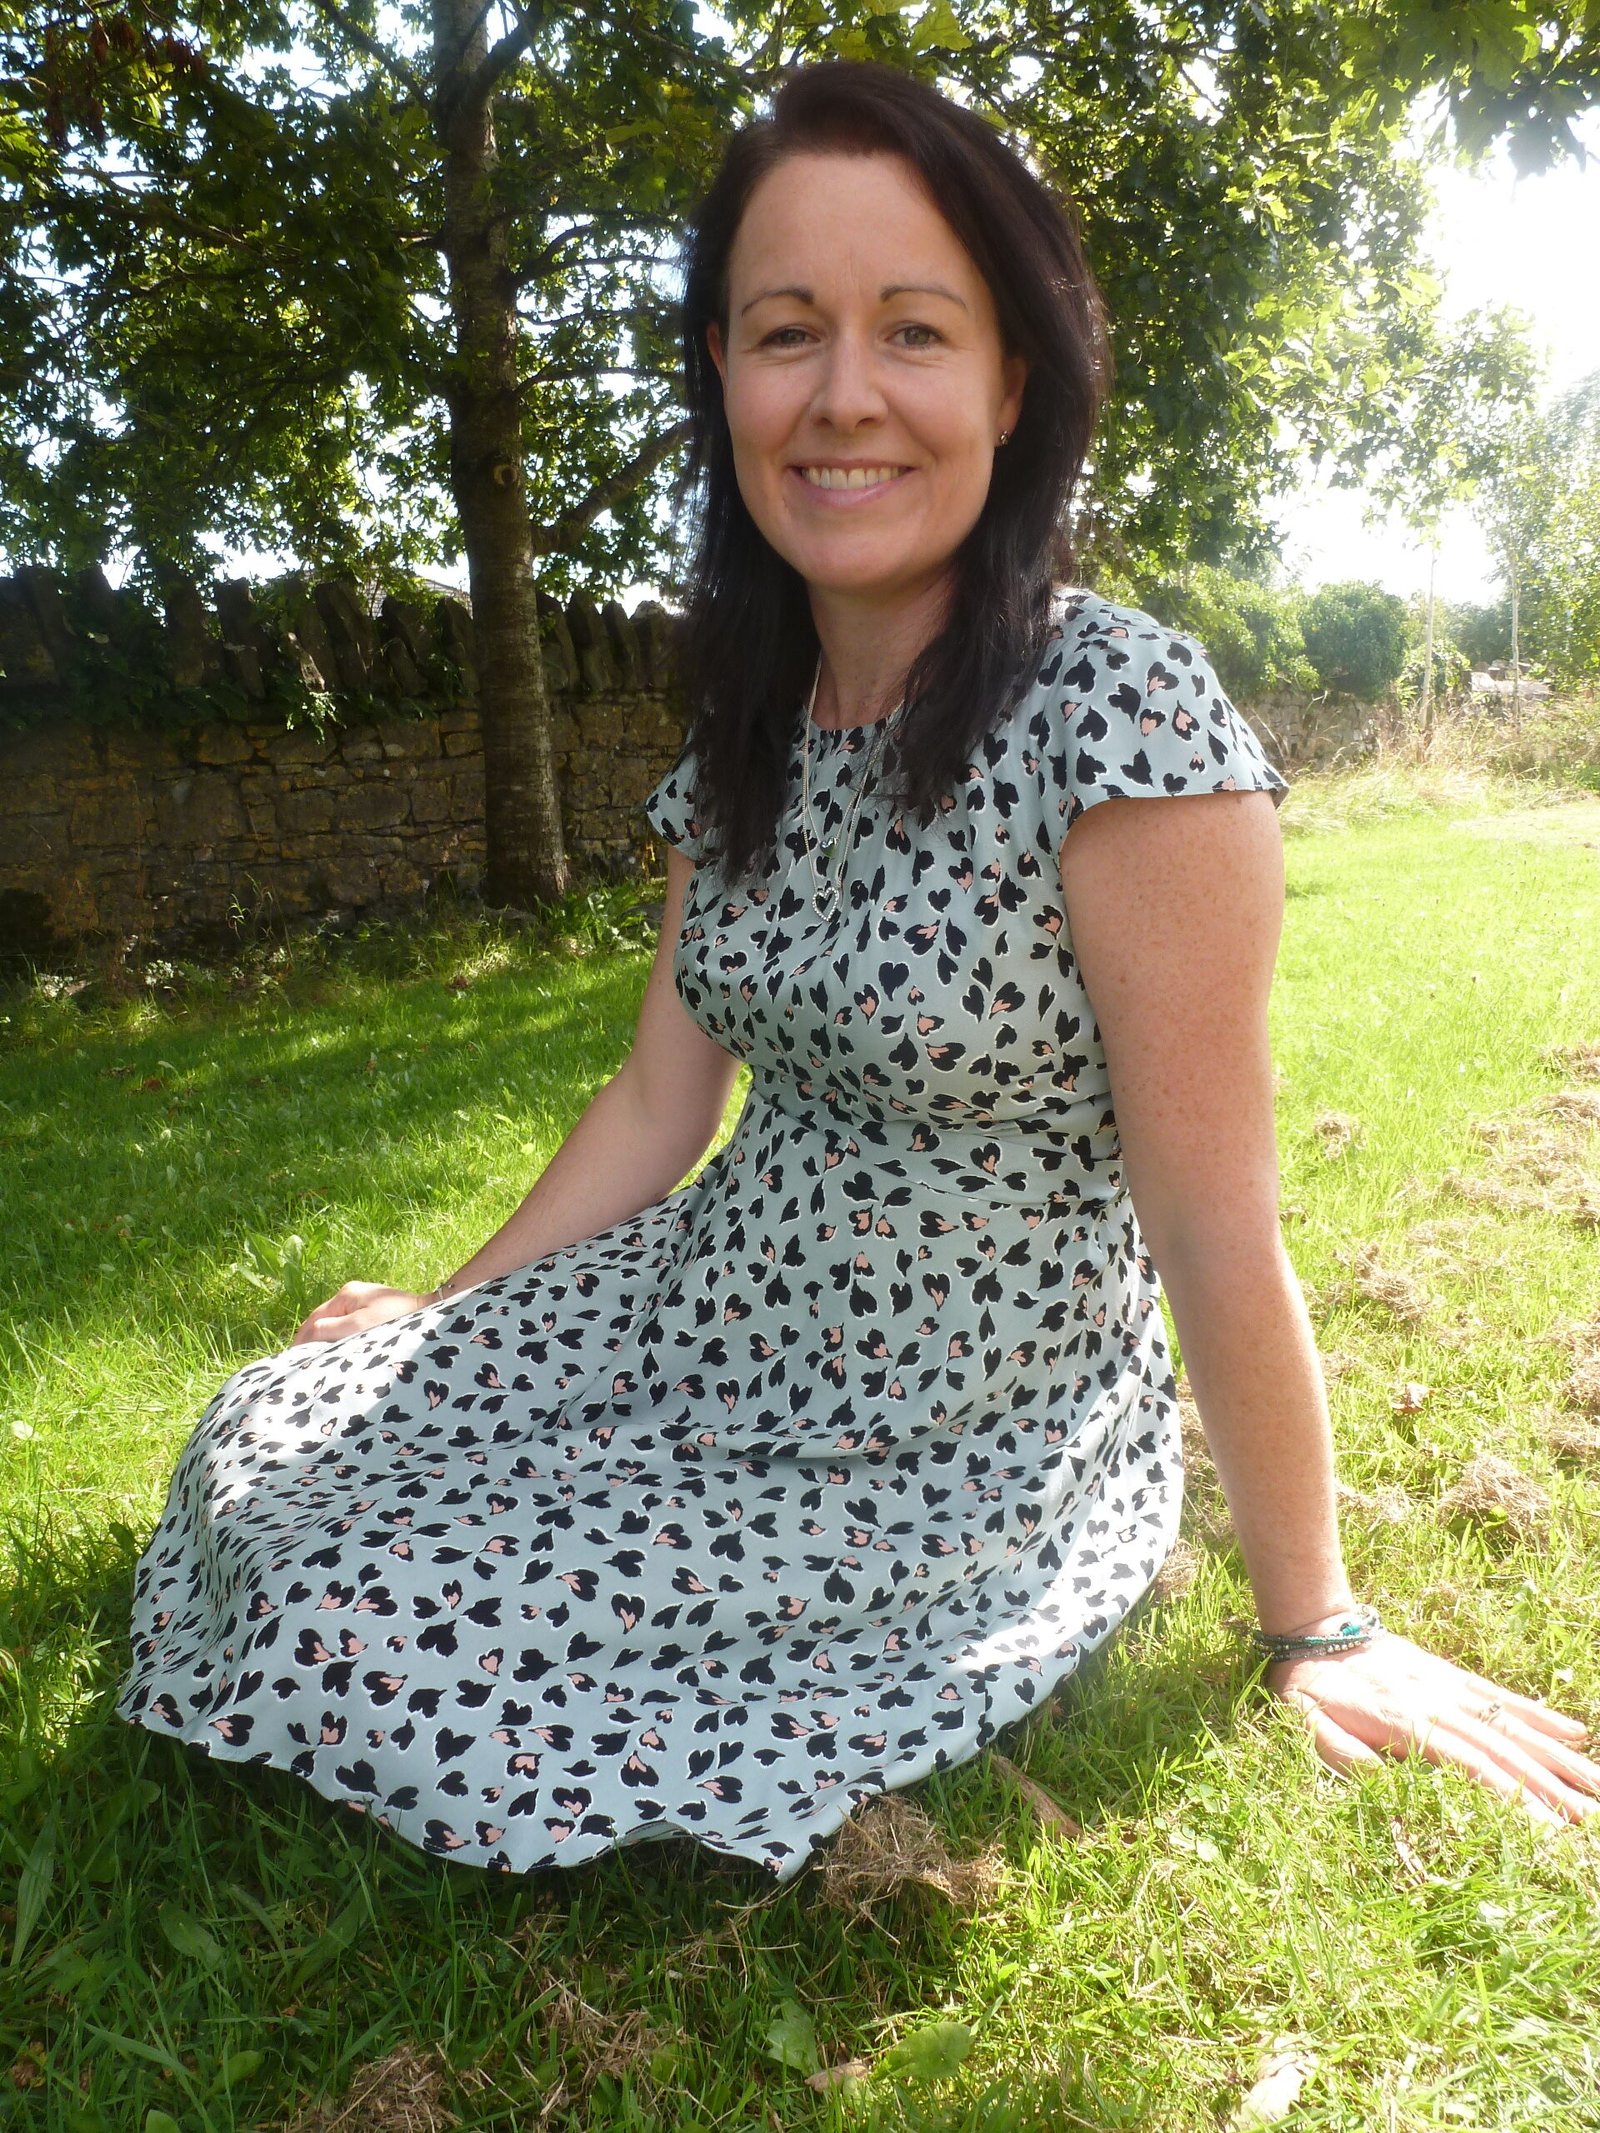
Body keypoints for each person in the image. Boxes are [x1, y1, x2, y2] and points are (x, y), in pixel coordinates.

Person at [115, 60, 1597, 1879]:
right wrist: (452, 1313)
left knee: (367, 1622)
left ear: (1010, 383)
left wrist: (1321, 1617)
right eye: (784, 331)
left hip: (945, 1439)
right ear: (723, 376)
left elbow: (1213, 1217)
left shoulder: (1120, 716)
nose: (842, 395)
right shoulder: (746, 714)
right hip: (699, 1313)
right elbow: (657, 1100)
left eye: (913, 329)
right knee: (272, 1443)